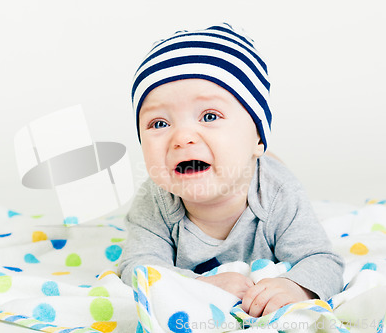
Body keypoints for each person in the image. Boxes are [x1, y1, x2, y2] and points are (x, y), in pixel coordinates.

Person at [118, 23, 344, 317]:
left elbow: (323, 261)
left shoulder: (279, 196)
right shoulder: (156, 199)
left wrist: (296, 287)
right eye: (159, 123)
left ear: (259, 138)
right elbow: (137, 266)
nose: (182, 137)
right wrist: (199, 284)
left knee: (268, 172)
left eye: (209, 116)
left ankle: (263, 156)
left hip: (265, 171)